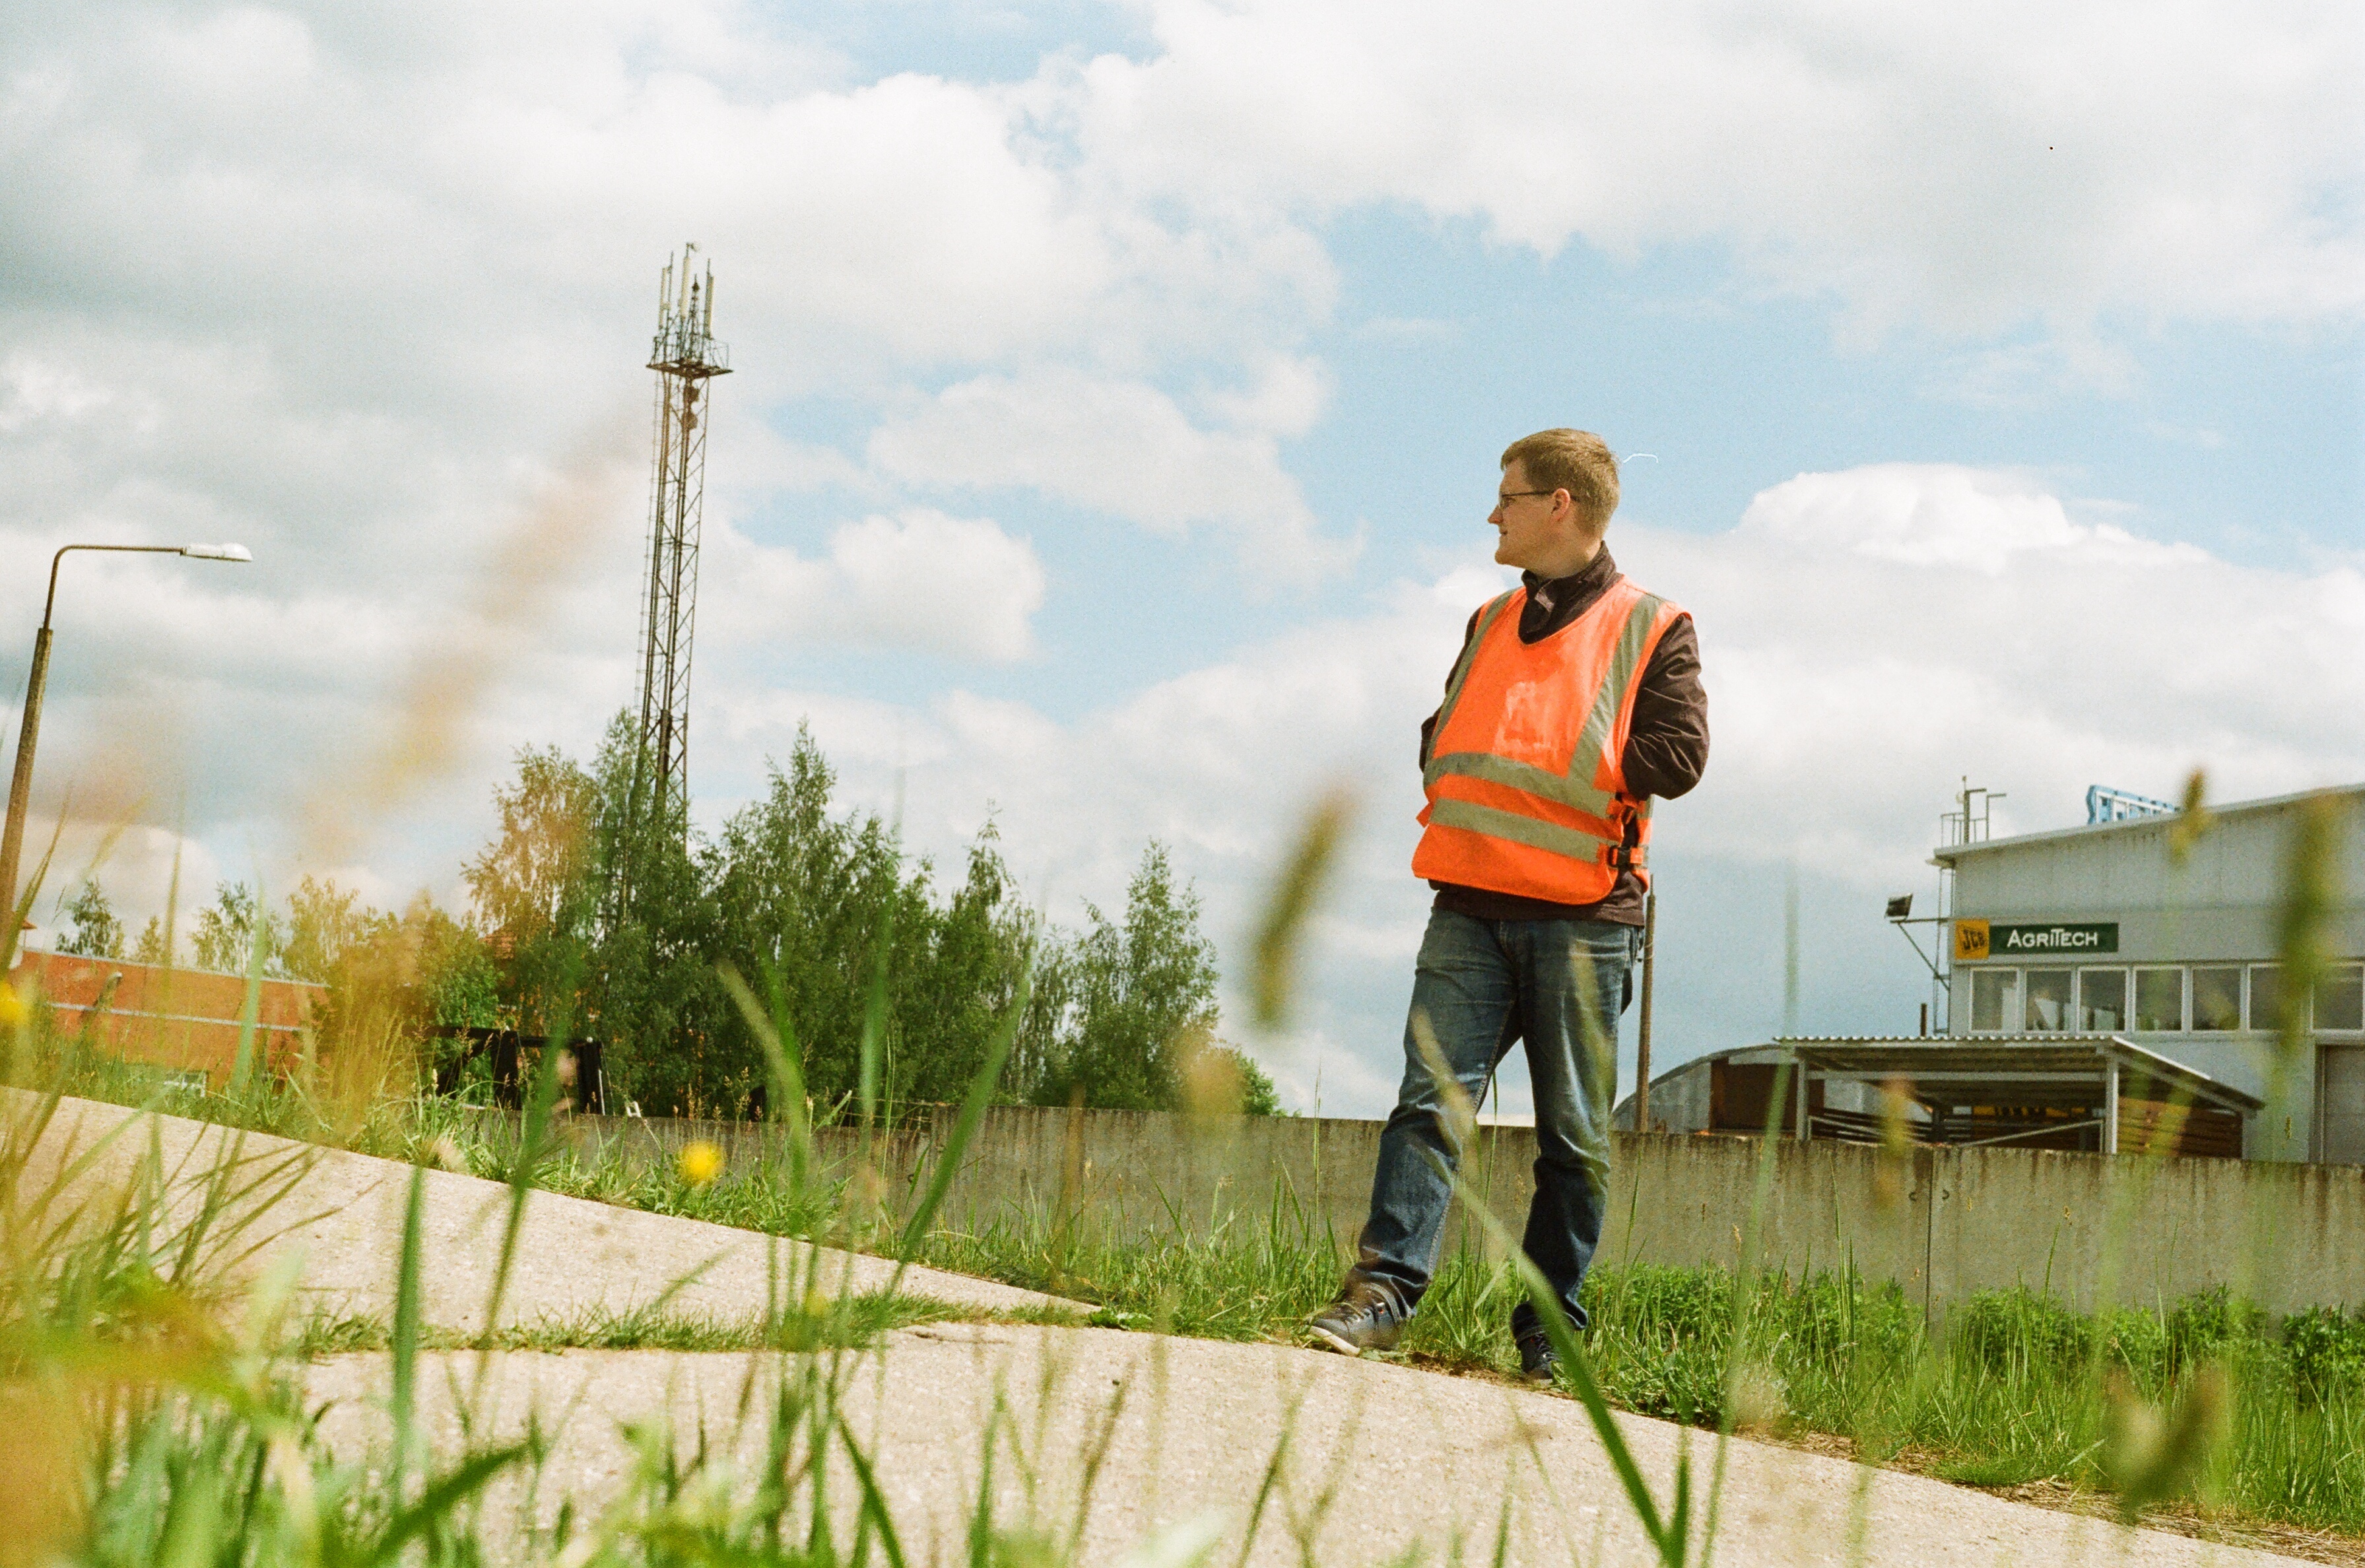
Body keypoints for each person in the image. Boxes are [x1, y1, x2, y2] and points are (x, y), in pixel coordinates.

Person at [1308, 428, 1709, 1382]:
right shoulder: (1489, 620)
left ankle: (1548, 1334)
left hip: (1584, 919)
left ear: (1560, 505)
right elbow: (1445, 730)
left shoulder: (1655, 625)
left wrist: (1565, 750)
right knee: (1427, 1106)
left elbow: (1680, 757)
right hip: (1469, 903)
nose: (1493, 513)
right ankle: (1380, 1295)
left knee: (1575, 1141)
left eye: (1509, 496)